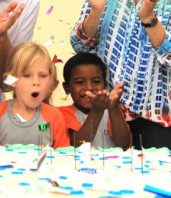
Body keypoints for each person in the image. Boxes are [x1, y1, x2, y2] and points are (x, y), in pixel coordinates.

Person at [70, 0, 171, 149]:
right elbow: (79, 45)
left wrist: (148, 17)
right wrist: (96, 11)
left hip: (151, 115)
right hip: (104, 112)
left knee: (155, 170)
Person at [0, 42, 70, 148]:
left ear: (50, 81)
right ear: (12, 80)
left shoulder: (55, 117)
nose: (36, 82)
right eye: (27, 75)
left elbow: (64, 158)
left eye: (43, 75)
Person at [58, 52, 131, 150]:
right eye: (80, 82)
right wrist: (97, 111)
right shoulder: (62, 113)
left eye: (96, 81)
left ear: (104, 84)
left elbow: (123, 143)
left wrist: (113, 108)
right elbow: (77, 146)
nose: (89, 87)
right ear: (67, 88)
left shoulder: (111, 111)